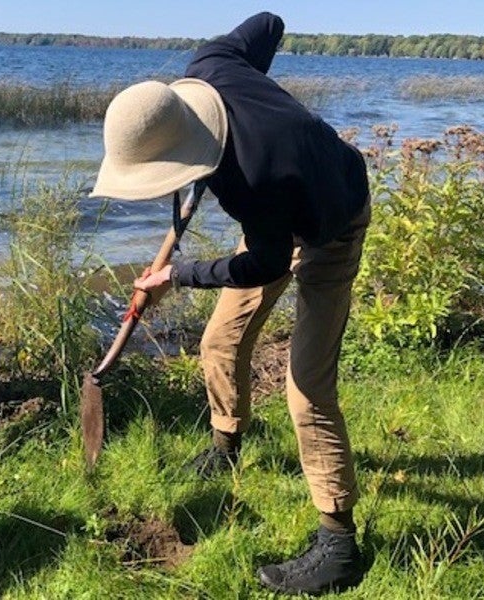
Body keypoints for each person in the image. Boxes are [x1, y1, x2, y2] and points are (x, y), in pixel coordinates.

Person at [90, 12, 370, 596]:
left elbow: (267, 262)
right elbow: (269, 22)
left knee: (307, 388)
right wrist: (245, 99)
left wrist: (179, 274)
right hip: (273, 218)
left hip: (331, 224)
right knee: (218, 342)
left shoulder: (253, 177)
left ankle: (339, 543)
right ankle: (226, 442)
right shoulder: (211, 64)